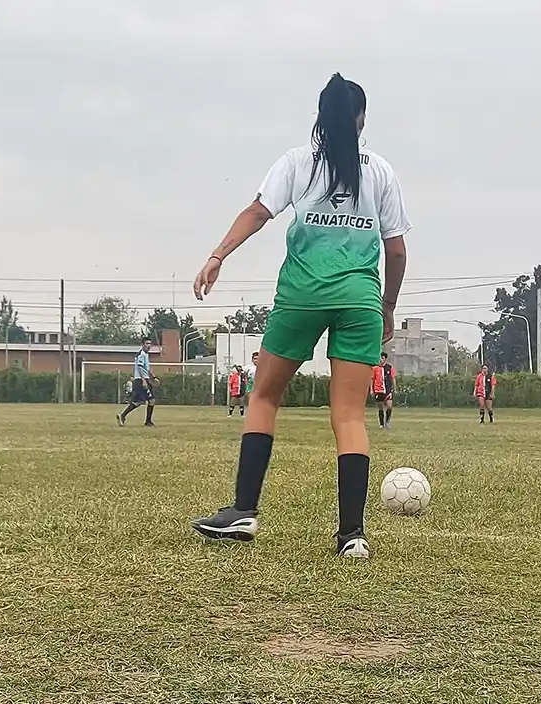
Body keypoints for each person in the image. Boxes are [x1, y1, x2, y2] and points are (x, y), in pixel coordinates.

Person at [190, 73, 410, 558]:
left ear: (319, 116)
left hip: (302, 295)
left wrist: (217, 255)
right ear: (361, 119)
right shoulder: (381, 172)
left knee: (264, 396)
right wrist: (387, 305)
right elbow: (395, 251)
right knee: (350, 414)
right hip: (360, 300)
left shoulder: (296, 162)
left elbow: (257, 212)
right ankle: (352, 535)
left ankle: (243, 510)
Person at [117, 338, 157, 427]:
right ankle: (147, 422)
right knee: (147, 401)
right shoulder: (141, 354)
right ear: (142, 344)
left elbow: (147, 368)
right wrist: (143, 380)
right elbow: (139, 368)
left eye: (150, 343)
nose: (149, 345)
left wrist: (153, 377)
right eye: (147, 343)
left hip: (145, 379)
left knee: (142, 402)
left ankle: (123, 416)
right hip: (140, 380)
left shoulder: (146, 354)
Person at [373, 352, 396, 429]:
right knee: (381, 407)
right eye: (379, 358)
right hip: (379, 390)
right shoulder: (375, 368)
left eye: (382, 358)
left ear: (385, 359)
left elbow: (393, 378)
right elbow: (372, 379)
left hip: (388, 390)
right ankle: (381, 424)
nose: (380, 360)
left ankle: (387, 422)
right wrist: (371, 390)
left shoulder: (389, 367)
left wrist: (394, 388)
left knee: (389, 406)